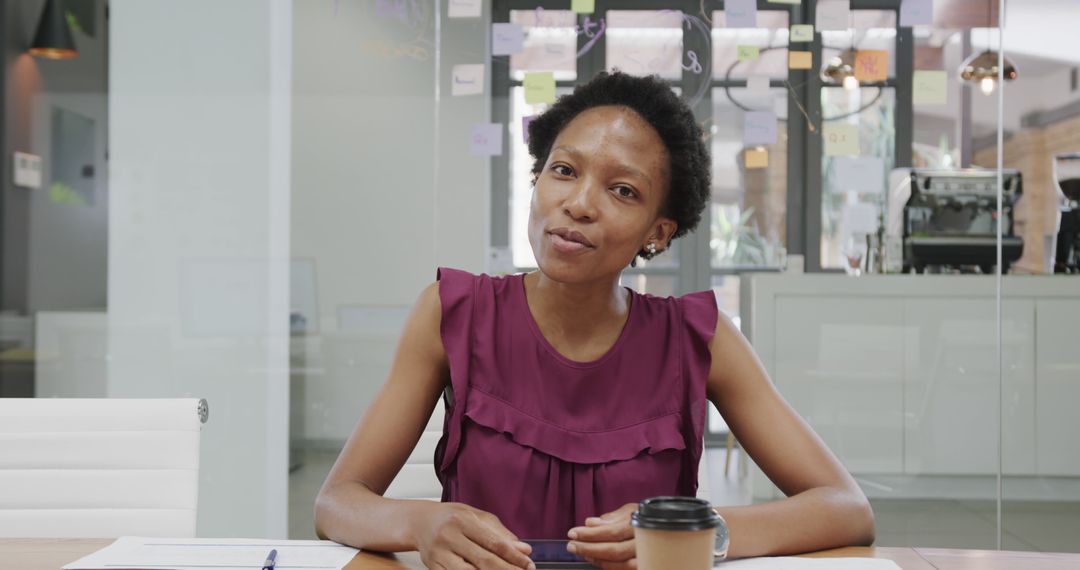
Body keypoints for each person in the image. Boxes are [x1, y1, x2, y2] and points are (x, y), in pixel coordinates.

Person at [315, 71, 875, 570]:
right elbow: (339, 500)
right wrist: (418, 525)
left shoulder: (697, 338)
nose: (579, 203)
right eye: (563, 170)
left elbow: (845, 508)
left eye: (622, 190)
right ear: (538, 179)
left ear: (657, 232)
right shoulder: (452, 311)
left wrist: (695, 531)